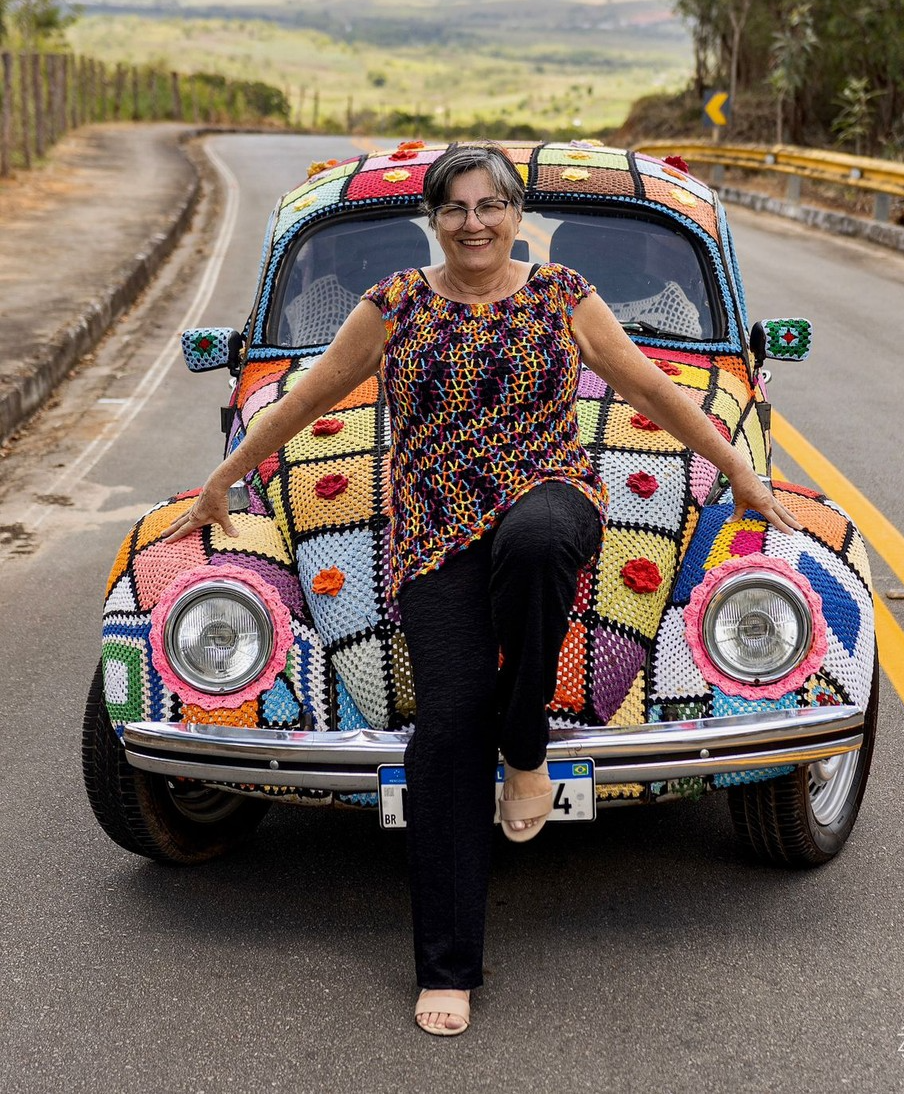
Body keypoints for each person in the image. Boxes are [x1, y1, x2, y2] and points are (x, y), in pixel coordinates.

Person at [162, 143, 802, 1037]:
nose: (474, 223)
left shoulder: (563, 295)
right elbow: (302, 400)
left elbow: (654, 388)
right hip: (433, 531)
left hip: (552, 492)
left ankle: (527, 740)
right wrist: (223, 478)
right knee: (447, 729)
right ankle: (448, 965)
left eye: (490, 205)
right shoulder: (393, 305)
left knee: (536, 542)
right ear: (434, 219)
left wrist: (740, 471)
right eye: (456, 208)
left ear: (515, 216)